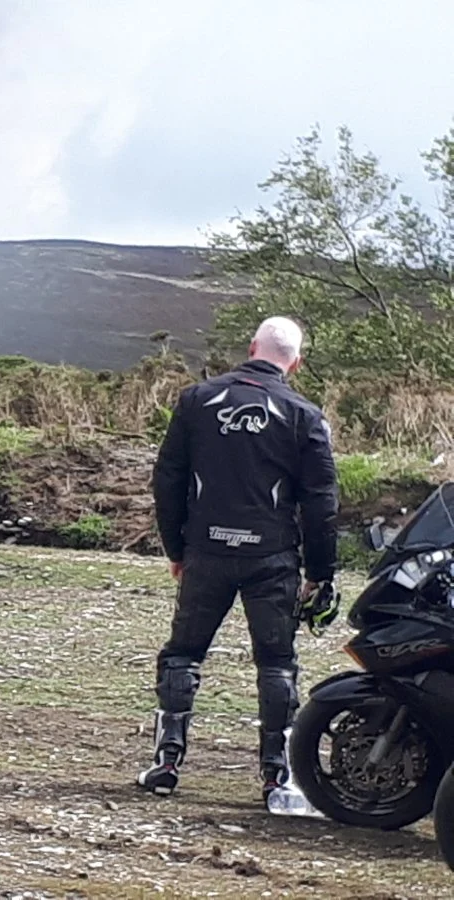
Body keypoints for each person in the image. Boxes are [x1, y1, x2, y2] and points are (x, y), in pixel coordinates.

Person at [136, 316, 340, 805]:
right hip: (272, 557)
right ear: (296, 361)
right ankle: (278, 778)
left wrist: (176, 549)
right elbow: (321, 500)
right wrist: (321, 572)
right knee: (276, 663)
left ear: (252, 347)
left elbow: (167, 479)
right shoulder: (304, 414)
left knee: (183, 653)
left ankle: (166, 761)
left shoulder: (196, 400)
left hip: (206, 550)